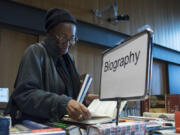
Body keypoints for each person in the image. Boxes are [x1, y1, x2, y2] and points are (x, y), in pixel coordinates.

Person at [5, 8, 98, 125]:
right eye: (63, 37)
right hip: (35, 126)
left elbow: (70, 97)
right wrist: (63, 103)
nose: (68, 43)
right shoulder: (35, 52)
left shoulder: (68, 60)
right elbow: (25, 94)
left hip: (59, 126)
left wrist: (85, 100)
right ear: (50, 34)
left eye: (72, 38)